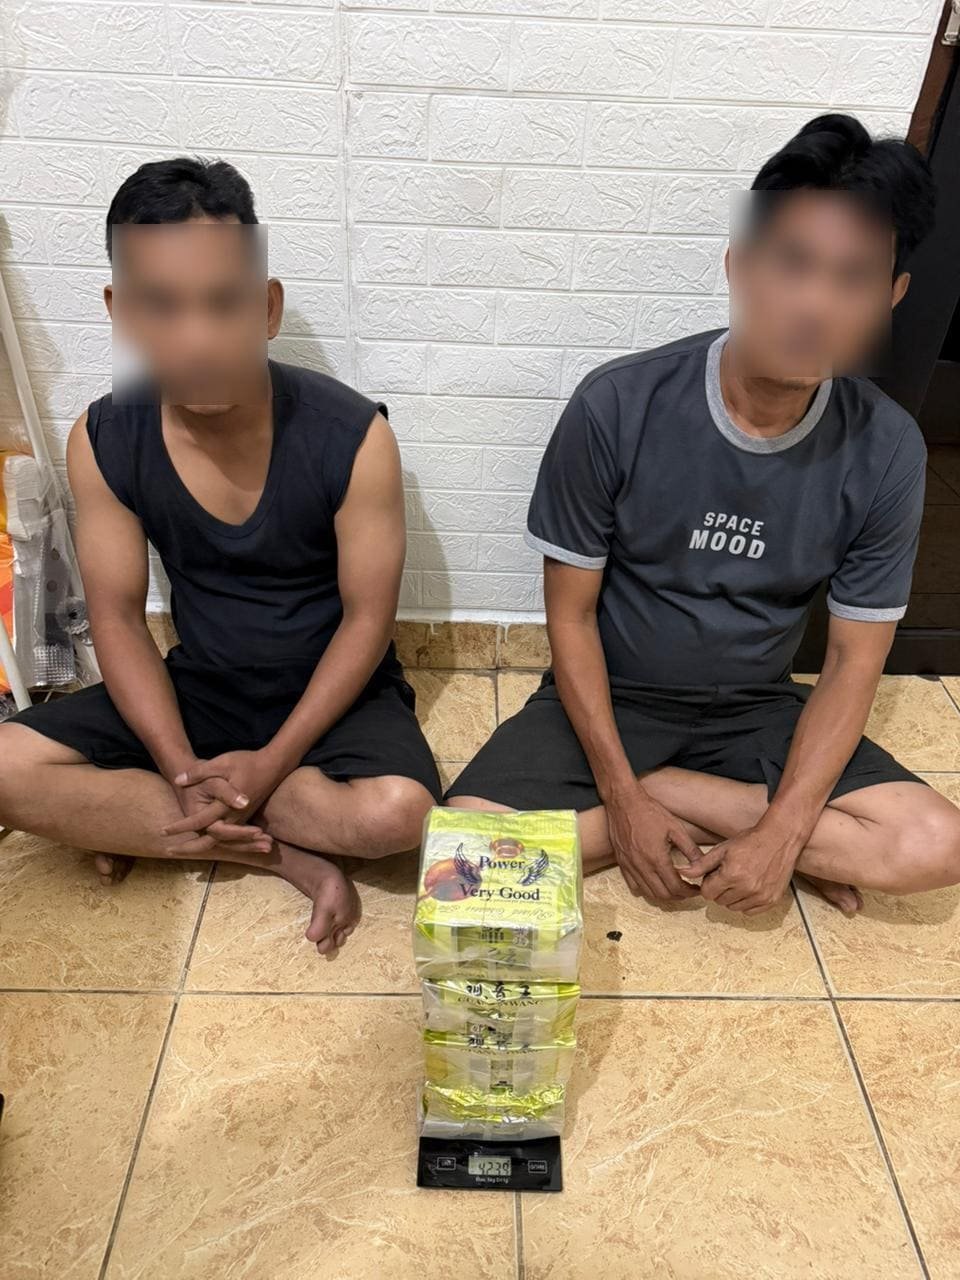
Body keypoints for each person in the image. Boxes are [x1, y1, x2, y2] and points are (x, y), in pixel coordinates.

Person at [448, 113, 960, 917]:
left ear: (890, 297)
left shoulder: (888, 448)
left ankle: (683, 802)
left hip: (757, 711)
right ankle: (681, 810)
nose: (815, 304)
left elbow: (851, 663)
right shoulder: (617, 405)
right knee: (462, 853)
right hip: (616, 700)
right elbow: (571, 619)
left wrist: (785, 829)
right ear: (740, 265)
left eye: (853, 279)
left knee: (935, 844)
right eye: (794, 264)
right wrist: (620, 794)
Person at [0, 158, 441, 954]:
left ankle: (154, 823)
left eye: (223, 303)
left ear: (266, 307)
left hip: (334, 691)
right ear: (120, 312)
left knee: (399, 816)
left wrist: (268, 765)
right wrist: (178, 766)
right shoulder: (102, 438)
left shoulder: (355, 437)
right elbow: (117, 619)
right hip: (202, 689)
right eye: (161, 306)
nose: (196, 339)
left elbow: (367, 623)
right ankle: (281, 855)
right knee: (4, 765)